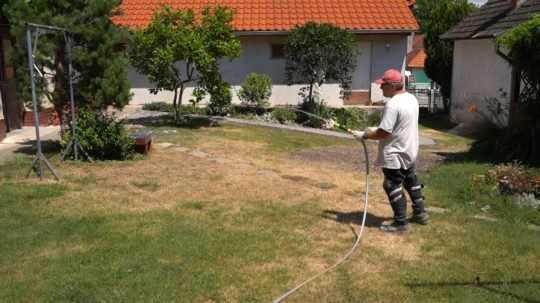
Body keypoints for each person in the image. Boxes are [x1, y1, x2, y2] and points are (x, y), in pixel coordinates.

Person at [349, 69, 429, 233]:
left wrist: (365, 135)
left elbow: (384, 133)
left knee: (392, 184)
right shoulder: (411, 99)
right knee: (411, 181)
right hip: (409, 149)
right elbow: (397, 126)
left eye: (383, 85)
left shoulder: (393, 104)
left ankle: (400, 223)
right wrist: (374, 129)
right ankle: (420, 213)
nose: (380, 88)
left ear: (392, 86)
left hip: (395, 153)